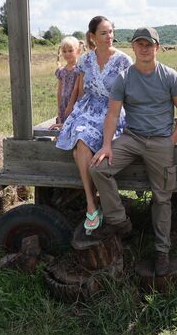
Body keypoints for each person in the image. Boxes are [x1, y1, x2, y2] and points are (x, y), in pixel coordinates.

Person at [88, 27, 177, 276]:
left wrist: (171, 140)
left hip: (160, 141)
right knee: (98, 167)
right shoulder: (124, 77)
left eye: (149, 44)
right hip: (132, 137)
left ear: (157, 47)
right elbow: (113, 113)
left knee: (162, 198)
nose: (144, 48)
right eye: (139, 44)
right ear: (133, 47)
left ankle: (162, 251)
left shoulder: (169, 76)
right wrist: (108, 144)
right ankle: (119, 221)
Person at [56, 16, 132, 236]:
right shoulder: (85, 61)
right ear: (92, 37)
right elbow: (80, 88)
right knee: (80, 139)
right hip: (87, 108)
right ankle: (92, 203)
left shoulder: (123, 60)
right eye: (104, 33)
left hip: (112, 111)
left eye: (111, 32)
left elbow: (130, 92)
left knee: (84, 144)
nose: (109, 37)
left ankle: (94, 202)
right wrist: (67, 111)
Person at [50, 36, 85, 127]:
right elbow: (59, 90)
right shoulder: (61, 71)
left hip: (75, 102)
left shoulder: (79, 69)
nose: (67, 54)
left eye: (70, 51)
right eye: (64, 51)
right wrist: (59, 106)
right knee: (62, 125)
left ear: (78, 51)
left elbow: (76, 88)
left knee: (72, 126)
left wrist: (70, 105)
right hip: (64, 102)